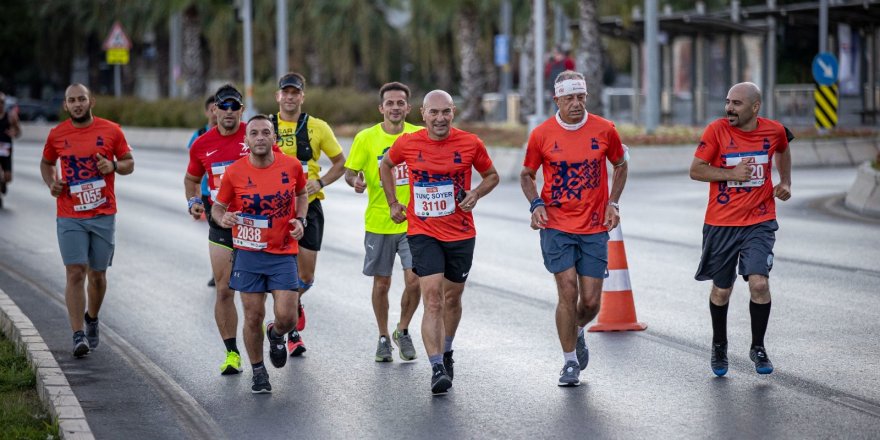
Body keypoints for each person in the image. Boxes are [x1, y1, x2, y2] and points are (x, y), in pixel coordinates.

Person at [380, 90, 499, 395]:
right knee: (432, 298)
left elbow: (492, 176)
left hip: (460, 232)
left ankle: (446, 351)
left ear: (453, 112)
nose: (440, 118)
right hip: (423, 231)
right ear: (423, 115)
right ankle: (435, 368)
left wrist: (475, 194)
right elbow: (386, 165)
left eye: (445, 112)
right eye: (433, 113)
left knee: (452, 299)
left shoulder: (470, 143)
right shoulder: (408, 142)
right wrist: (394, 202)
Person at [520, 70, 628, 387]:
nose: (576, 103)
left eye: (581, 97)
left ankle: (577, 329)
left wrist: (614, 202)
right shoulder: (542, 134)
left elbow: (620, 164)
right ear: (557, 100)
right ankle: (569, 363)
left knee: (591, 301)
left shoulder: (605, 129)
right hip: (556, 225)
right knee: (567, 290)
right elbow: (527, 174)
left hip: (594, 225)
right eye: (569, 98)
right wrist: (536, 204)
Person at [689, 82, 792, 377]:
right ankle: (719, 344)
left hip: (759, 221)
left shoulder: (774, 131)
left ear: (755, 107)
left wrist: (785, 182)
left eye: (736, 103)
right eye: (727, 102)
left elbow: (783, 147)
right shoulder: (716, 131)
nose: (729, 108)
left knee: (759, 283)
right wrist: (730, 174)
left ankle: (758, 347)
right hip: (721, 223)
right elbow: (696, 169)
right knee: (722, 290)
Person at [211, 115, 308, 394]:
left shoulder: (291, 166)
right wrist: (223, 219)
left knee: (288, 316)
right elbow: (218, 206)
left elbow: (302, 194)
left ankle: (276, 334)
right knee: (252, 316)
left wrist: (301, 220)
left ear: (274, 138)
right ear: (246, 141)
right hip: (249, 253)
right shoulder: (234, 172)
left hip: (282, 251)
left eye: (266, 132)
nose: (261, 137)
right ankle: (258, 371)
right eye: (254, 133)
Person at [39, 84, 134, 357]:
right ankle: (78, 333)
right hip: (70, 213)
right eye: (72, 100)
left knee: (98, 275)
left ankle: (92, 318)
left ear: (91, 101)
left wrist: (113, 166)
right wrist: (51, 183)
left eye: (82, 99)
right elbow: (46, 163)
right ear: (65, 106)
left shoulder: (111, 130)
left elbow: (129, 162)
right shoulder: (57, 134)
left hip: (103, 213)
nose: (77, 104)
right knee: (75, 271)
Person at [343, 82, 421, 362]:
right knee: (382, 284)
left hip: (415, 222)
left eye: (401, 103)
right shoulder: (366, 138)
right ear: (381, 108)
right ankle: (383, 337)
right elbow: (349, 172)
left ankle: (402, 329)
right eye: (390, 103)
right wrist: (357, 181)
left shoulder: (419, 135)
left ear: (408, 108)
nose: (395, 107)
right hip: (379, 221)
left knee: (415, 281)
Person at [272, 72, 345, 357]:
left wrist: (322, 181)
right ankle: (290, 332)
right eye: (285, 92)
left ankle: (293, 305)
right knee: (279, 274)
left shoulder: (318, 127)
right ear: (278, 96)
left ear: (302, 96)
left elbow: (340, 162)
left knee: (306, 275)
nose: (290, 97)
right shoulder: (266, 126)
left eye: (295, 93)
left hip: (309, 206)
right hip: (273, 208)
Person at [184, 85, 248, 376]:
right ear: (215, 110)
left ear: (242, 110)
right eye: (224, 107)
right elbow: (191, 178)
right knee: (224, 290)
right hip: (220, 221)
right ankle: (232, 353)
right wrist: (194, 200)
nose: (229, 112)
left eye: (235, 107)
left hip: (255, 223)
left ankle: (264, 329)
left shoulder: (256, 136)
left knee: (254, 296)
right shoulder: (201, 144)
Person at [187, 95, 219, 287]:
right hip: (208, 194)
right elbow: (193, 170)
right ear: (207, 112)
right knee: (216, 233)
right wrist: (196, 198)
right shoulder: (199, 135)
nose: (215, 113)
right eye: (212, 109)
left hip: (232, 195)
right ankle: (217, 272)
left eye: (219, 108)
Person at [0, 92, 22, 208]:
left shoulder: (11, 117)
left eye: (2, 102)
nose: (0, 104)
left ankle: (3, 183)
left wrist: (14, 133)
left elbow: (19, 132)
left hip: (6, 151)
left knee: (8, 177)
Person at [544, 46, 575, 112]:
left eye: (555, 53)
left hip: (566, 91)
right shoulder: (552, 64)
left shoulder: (568, 62)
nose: (554, 55)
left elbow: (572, 75)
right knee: (557, 111)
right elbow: (547, 75)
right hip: (555, 92)